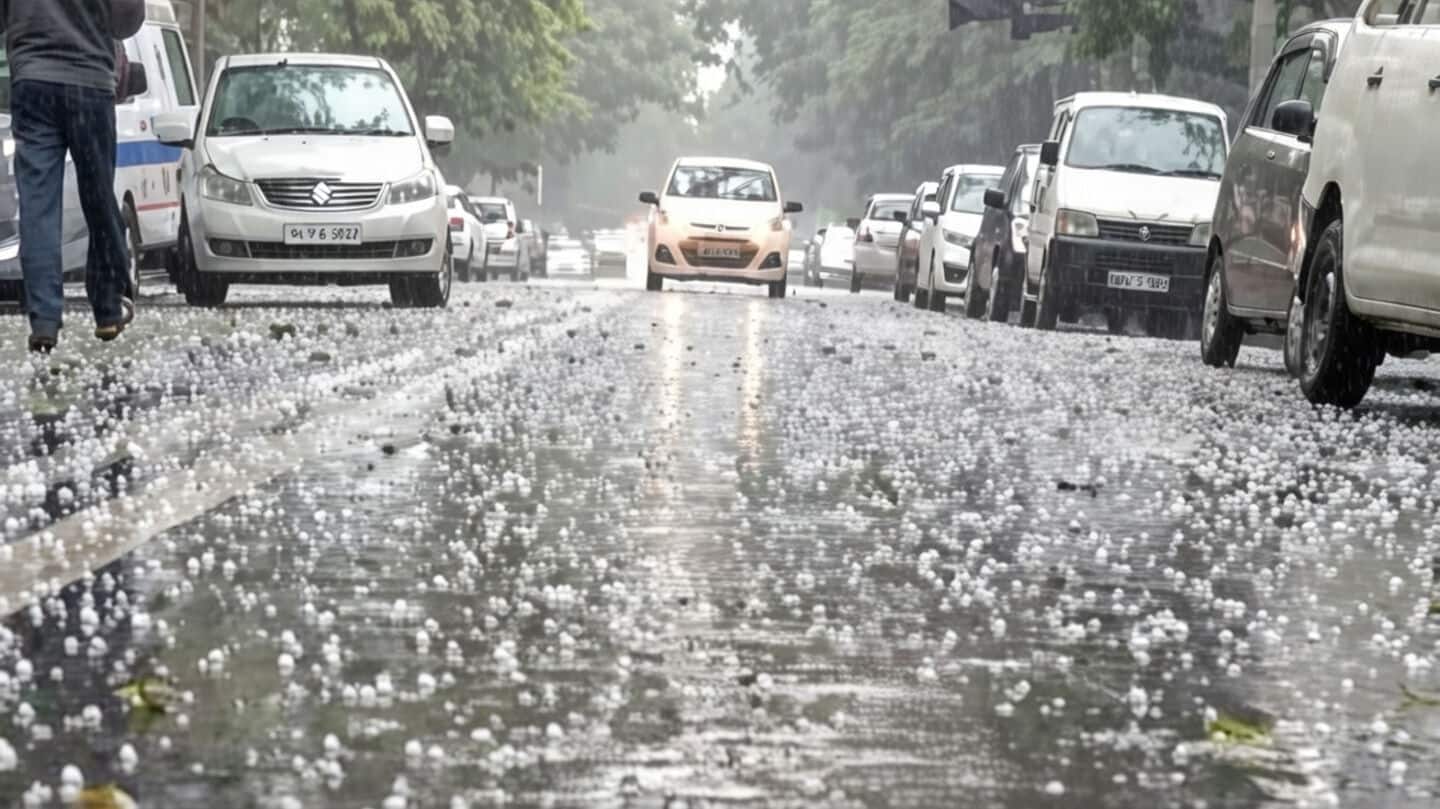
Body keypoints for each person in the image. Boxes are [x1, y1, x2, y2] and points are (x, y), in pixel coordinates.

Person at [1, 0, 145, 353]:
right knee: (98, 198)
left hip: (33, 82)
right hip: (90, 83)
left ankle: (44, 319)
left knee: (38, 205)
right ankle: (108, 308)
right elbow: (127, 20)